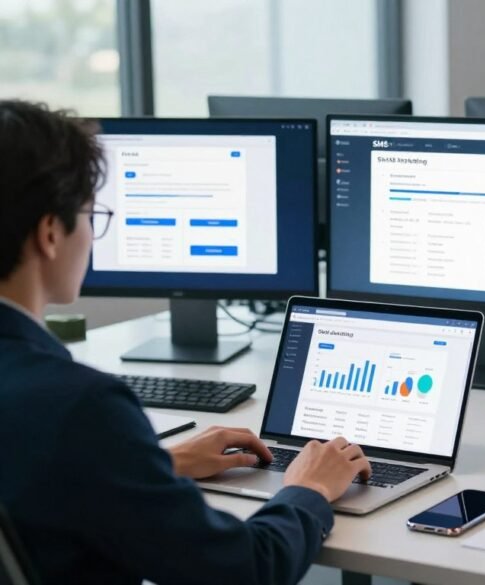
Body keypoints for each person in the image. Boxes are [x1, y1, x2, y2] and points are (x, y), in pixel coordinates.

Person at [0, 100, 372, 584]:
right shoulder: (80, 407)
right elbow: (246, 570)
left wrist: (153, 466)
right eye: (93, 214)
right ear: (51, 233)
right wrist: (310, 489)